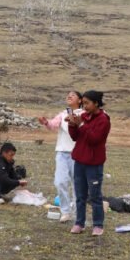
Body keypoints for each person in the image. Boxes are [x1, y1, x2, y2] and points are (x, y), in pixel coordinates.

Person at [66, 90, 110, 236]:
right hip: (79, 161)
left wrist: (81, 125)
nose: (84, 106)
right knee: (80, 195)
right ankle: (79, 223)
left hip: (94, 164)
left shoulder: (103, 120)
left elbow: (94, 139)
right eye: (83, 103)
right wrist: (72, 125)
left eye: (87, 103)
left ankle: (98, 225)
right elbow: (75, 137)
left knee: (95, 196)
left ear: (96, 103)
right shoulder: (84, 116)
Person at [37, 91, 83, 223]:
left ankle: (78, 213)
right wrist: (46, 122)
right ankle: (65, 211)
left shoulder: (84, 114)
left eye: (73, 95)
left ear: (80, 100)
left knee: (77, 185)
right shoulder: (63, 114)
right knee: (60, 182)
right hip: (62, 153)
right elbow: (53, 125)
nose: (69, 96)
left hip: (78, 154)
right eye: (68, 95)